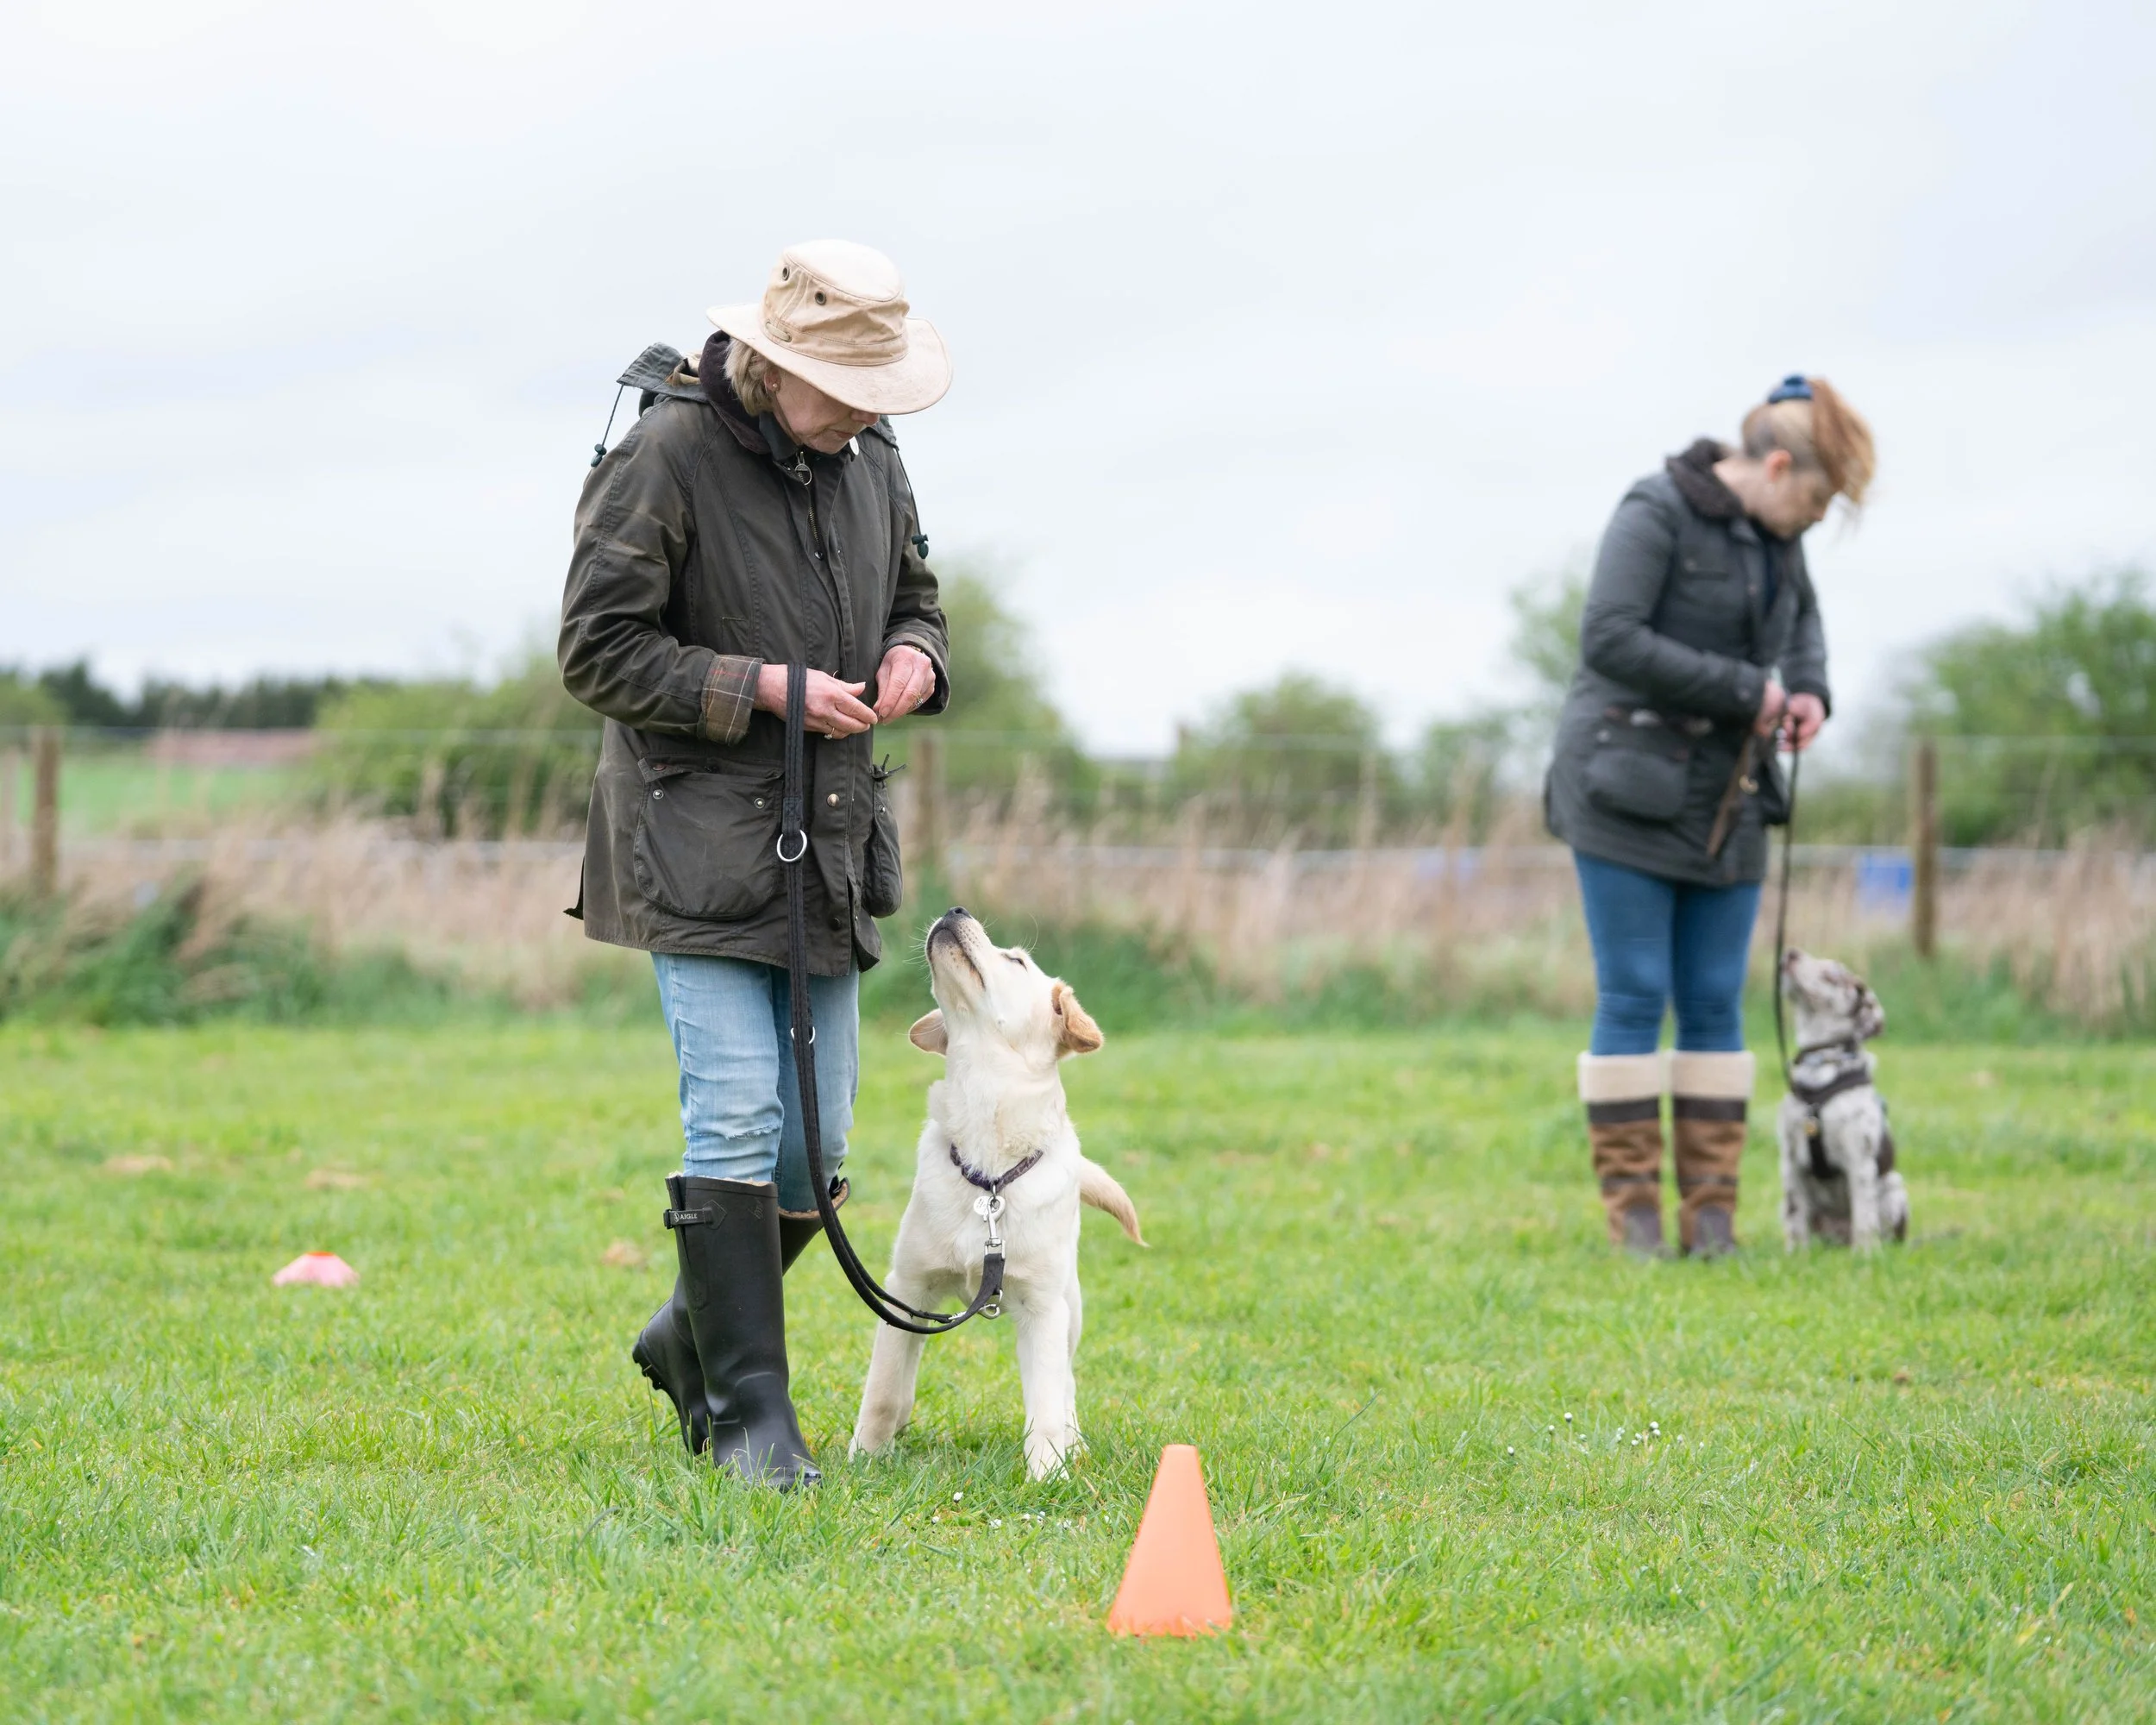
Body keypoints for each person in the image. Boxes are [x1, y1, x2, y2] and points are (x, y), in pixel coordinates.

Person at [558, 241, 953, 1485]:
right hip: (692, 837)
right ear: (772, 365)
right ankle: (749, 1423)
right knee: (734, 1112)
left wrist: (916, 657)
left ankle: (694, 1337)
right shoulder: (663, 456)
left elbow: (919, 593)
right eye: (843, 388)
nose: (863, 412)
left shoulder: (870, 452)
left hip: (827, 847)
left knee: (816, 1143)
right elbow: (598, 653)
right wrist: (764, 689)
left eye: (876, 391)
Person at [1544, 376, 1875, 1257]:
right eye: (1810, 500)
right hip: (1621, 789)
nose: (1810, 520)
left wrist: (1806, 692)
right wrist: (1746, 689)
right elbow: (1609, 636)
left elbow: (1802, 627)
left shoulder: (1777, 536)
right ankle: (1637, 1226)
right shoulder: (1653, 511)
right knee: (1634, 991)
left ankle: (1713, 1225)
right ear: (1773, 466)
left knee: (1712, 997)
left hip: (1729, 798)